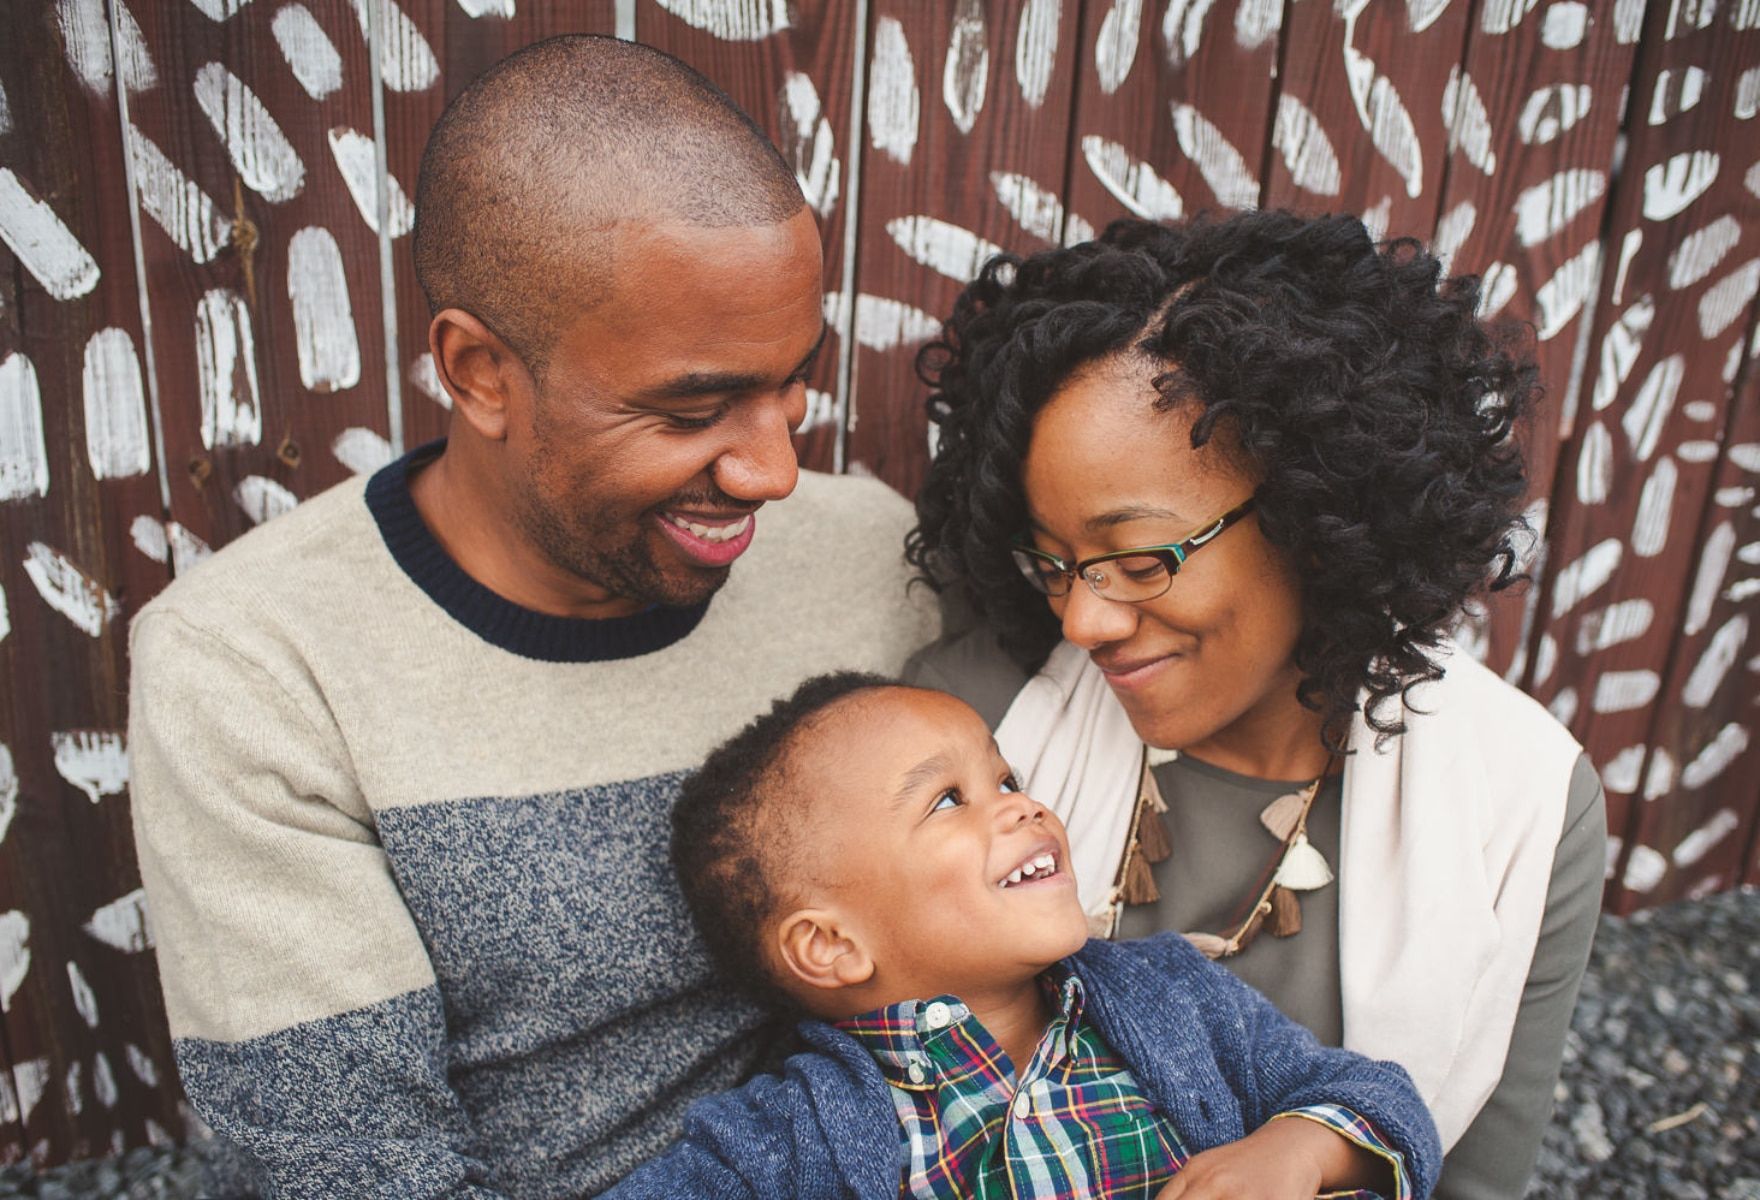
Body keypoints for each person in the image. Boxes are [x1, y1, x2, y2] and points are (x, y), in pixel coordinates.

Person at [126, 36, 936, 1199]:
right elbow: (357, 1171)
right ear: (478, 372)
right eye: (694, 406)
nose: (771, 473)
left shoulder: (866, 555)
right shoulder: (251, 664)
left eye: (791, 383)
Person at [904, 211, 1606, 1200]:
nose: (1084, 619)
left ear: (1312, 516)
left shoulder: (1521, 804)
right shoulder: (970, 730)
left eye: (1139, 559)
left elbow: (1475, 1182)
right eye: (1053, 562)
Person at [609, 673, 1442, 1199]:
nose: (1023, 805)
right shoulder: (782, 1140)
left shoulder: (1174, 995)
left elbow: (1384, 1103)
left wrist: (1296, 1151)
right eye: (947, 801)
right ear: (832, 946)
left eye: (1005, 777)